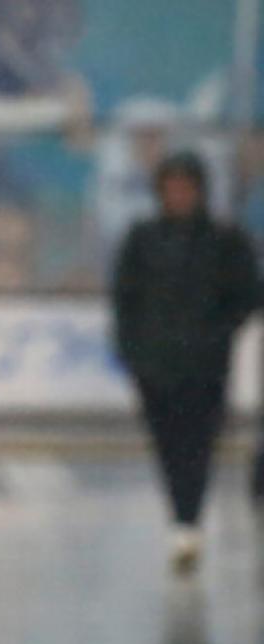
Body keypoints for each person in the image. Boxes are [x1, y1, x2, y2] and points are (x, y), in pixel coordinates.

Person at [112, 151, 259, 574]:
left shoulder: (224, 240)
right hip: (154, 365)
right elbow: (125, 298)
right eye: (171, 188)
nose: (178, 196)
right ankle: (182, 517)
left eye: (185, 188)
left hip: (205, 365)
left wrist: (218, 332)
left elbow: (247, 293)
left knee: (198, 445)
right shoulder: (142, 239)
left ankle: (187, 522)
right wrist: (131, 348)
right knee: (168, 445)